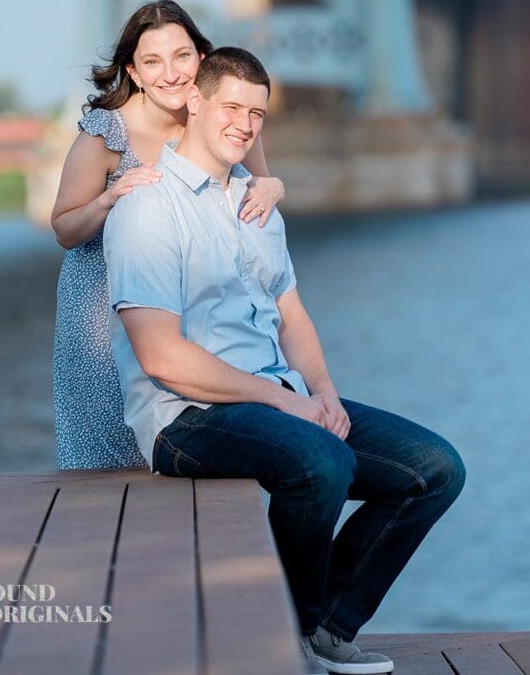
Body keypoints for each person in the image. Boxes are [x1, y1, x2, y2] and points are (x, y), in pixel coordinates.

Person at [103, 47, 466, 675]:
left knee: (435, 468)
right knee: (318, 459)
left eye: (258, 113)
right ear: (195, 101)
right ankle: (285, 639)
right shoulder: (149, 208)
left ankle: (329, 627)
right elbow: (161, 356)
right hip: (188, 416)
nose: (245, 123)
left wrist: (321, 393)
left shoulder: (258, 203)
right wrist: (283, 402)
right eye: (232, 107)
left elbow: (292, 317)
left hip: (281, 395)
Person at [52, 1, 286, 470]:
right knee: (109, 457)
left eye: (182, 56)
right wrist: (108, 198)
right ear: (134, 72)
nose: (171, 73)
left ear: (202, 57)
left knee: (197, 429)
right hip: (102, 304)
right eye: (152, 61)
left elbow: (258, 184)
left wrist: (276, 186)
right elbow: (63, 226)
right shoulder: (104, 134)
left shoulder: (227, 117)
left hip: (191, 295)